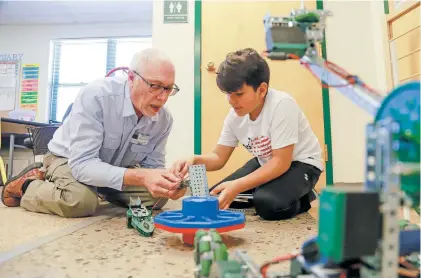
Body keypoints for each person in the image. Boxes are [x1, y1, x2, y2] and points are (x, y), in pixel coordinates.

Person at [1, 48, 187, 217]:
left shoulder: (163, 120)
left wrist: (167, 184)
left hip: (111, 168)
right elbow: (83, 165)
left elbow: (152, 168)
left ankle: (99, 189)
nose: (162, 97)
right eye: (154, 86)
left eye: (169, 88)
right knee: (80, 202)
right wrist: (141, 177)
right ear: (131, 78)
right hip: (68, 159)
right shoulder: (97, 96)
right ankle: (26, 186)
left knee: (156, 199)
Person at [171, 48, 324, 221]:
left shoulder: (282, 105)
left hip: (301, 164)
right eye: (228, 94)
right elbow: (218, 157)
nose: (231, 100)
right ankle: (268, 190)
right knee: (216, 197)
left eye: (239, 94)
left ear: (262, 90)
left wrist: (239, 185)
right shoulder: (234, 116)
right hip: (266, 161)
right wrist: (194, 160)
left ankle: (304, 197)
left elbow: (281, 162)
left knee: (268, 204)